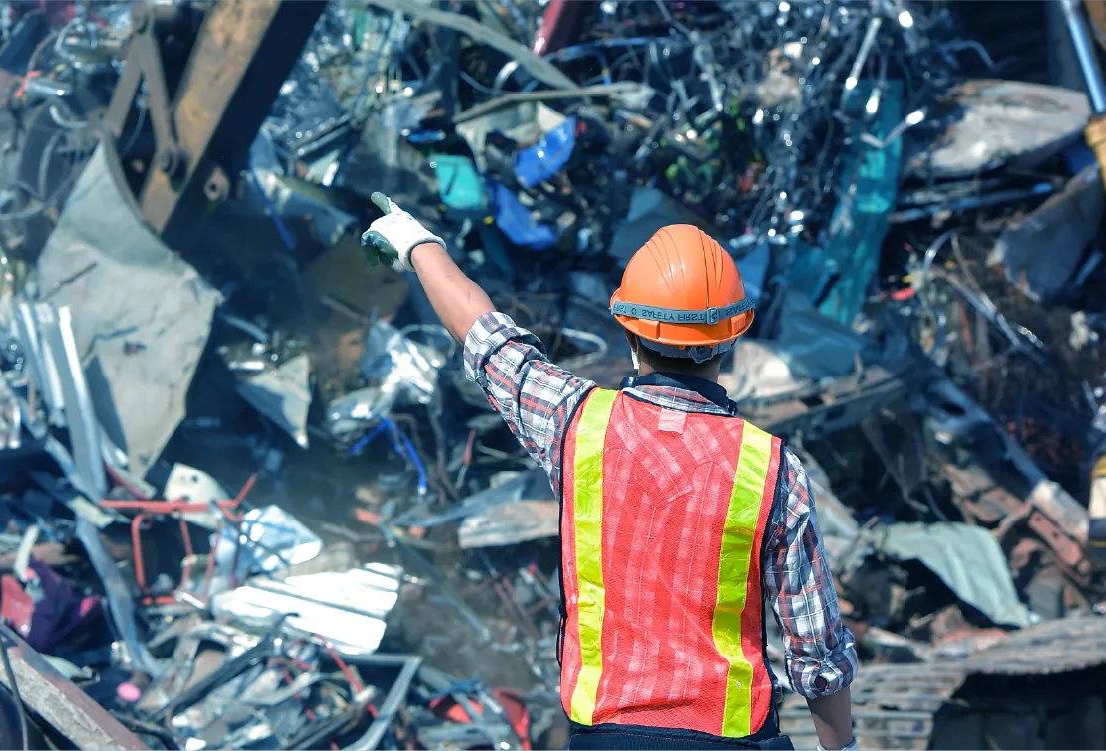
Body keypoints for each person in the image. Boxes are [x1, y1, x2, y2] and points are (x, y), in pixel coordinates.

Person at [360, 194, 859, 751]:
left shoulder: (576, 425)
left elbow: (488, 340)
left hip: (604, 739)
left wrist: (419, 245)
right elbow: (816, 648)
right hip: (730, 741)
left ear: (627, 328)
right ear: (733, 334)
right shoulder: (770, 467)